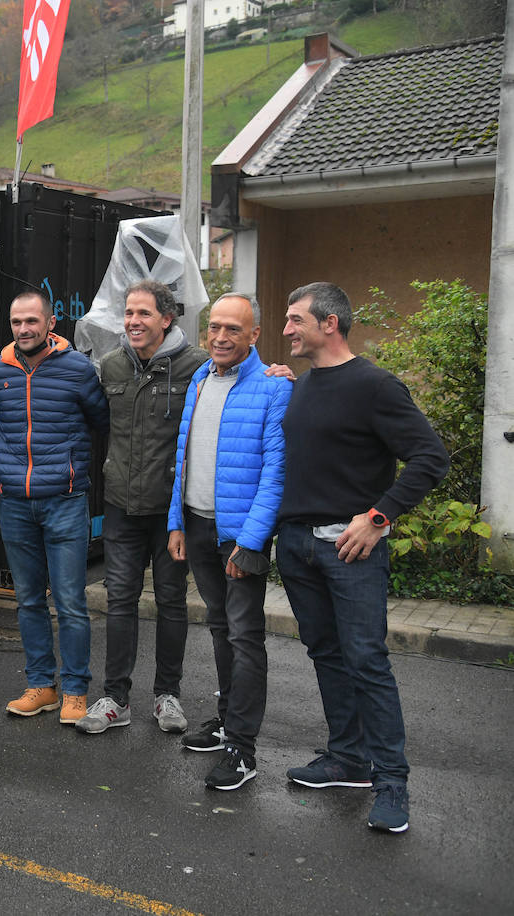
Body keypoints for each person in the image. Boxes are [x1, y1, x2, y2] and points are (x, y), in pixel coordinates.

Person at [275, 281, 448, 834]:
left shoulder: (375, 386)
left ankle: (391, 782)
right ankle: (347, 759)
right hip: (299, 545)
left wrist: (379, 518)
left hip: (350, 551)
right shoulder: (302, 385)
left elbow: (429, 457)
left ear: (329, 323)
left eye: (295, 319)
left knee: (367, 662)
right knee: (326, 653)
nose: (286, 329)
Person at [167, 292, 291, 790]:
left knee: (244, 637)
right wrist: (176, 522)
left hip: (240, 537)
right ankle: (225, 721)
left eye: (233, 329)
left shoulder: (273, 387)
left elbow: (276, 474)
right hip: (197, 526)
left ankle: (243, 750)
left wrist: (253, 541)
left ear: (255, 335)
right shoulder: (200, 378)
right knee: (219, 629)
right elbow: (184, 457)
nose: (220, 337)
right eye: (214, 327)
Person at [78, 281, 206, 735]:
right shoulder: (111, 365)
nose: (132, 321)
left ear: (166, 319)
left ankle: (167, 696)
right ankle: (115, 698)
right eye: (128, 313)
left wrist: (274, 374)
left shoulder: (197, 366)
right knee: (119, 602)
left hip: (172, 512)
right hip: (120, 506)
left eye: (143, 314)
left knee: (171, 602)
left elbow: (237, 389)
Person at [0, 291, 109, 724]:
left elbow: (102, 422)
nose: (24, 329)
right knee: (28, 601)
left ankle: (75, 688)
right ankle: (41, 685)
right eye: (16, 321)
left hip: (65, 501)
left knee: (71, 602)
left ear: (51, 322)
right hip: (16, 504)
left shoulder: (78, 369)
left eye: (32, 321)